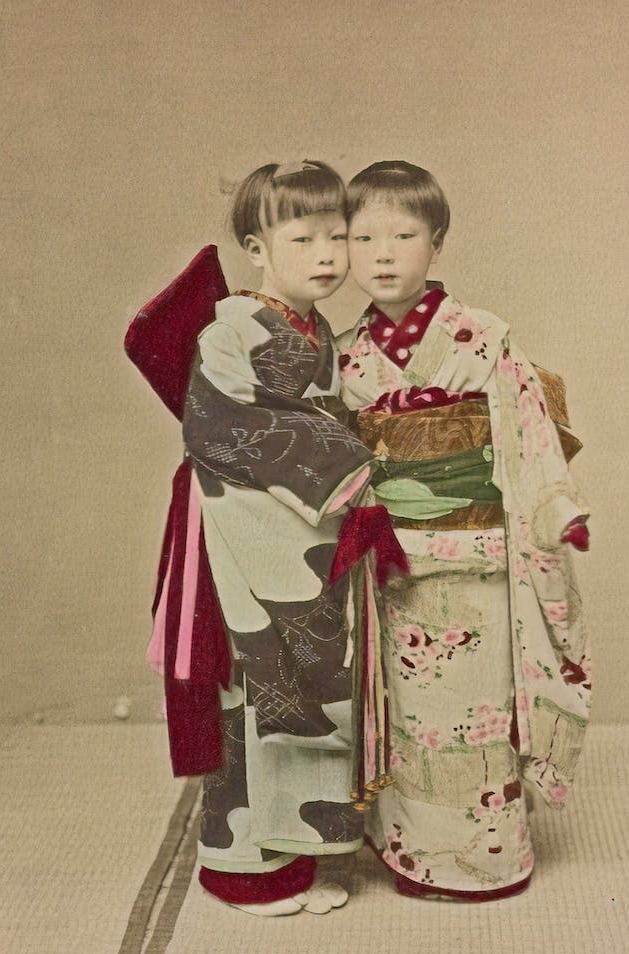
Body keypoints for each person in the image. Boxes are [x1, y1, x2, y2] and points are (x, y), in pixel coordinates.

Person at [336, 160, 591, 901]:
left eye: (404, 234)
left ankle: (488, 859)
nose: (383, 254)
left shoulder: (484, 337)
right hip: (394, 564)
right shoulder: (346, 354)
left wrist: (557, 511)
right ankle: (412, 854)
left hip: (479, 560)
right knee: (411, 718)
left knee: (477, 716)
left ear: (437, 243)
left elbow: (529, 436)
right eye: (362, 237)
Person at [128, 160, 376, 916]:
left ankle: (298, 859)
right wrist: (349, 479)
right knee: (254, 694)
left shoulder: (317, 329)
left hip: (301, 540)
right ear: (256, 246)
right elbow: (225, 425)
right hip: (247, 539)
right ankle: (241, 870)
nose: (327, 254)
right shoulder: (233, 329)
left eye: (338, 235)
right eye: (303, 238)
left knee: (312, 691)